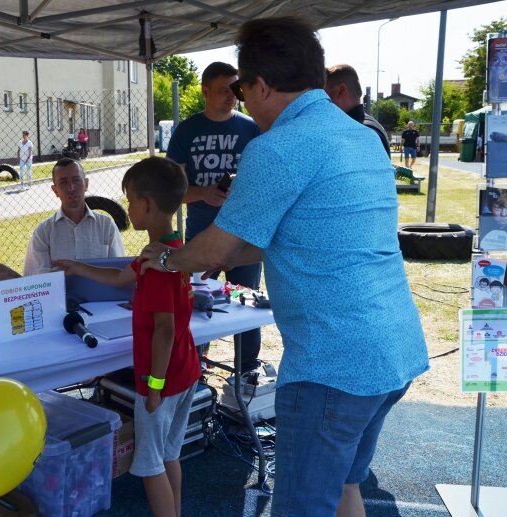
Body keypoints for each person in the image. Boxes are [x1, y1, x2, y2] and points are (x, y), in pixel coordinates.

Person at [139, 17, 429, 516]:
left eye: (242, 89)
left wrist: (166, 259)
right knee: (344, 488)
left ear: (264, 85)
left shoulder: (277, 149)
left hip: (333, 366)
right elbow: (285, 239)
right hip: (393, 349)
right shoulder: (359, 136)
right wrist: (203, 257)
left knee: (300, 506)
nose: (243, 102)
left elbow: (216, 251)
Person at [54, 157, 199, 517]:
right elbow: (120, 278)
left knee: (150, 467)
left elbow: (164, 330)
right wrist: (77, 267)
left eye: (130, 200)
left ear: (146, 206)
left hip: (162, 382)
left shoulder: (157, 268)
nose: (128, 207)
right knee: (169, 455)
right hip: (186, 373)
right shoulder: (166, 252)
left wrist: (153, 387)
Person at [166, 61, 263, 372]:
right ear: (205, 90)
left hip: (244, 240)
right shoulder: (187, 131)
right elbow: (173, 192)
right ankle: (196, 372)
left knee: (247, 308)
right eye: (223, 90)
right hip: (201, 237)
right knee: (195, 308)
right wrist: (204, 193)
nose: (232, 96)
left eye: (236, 90)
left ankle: (245, 375)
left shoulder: (251, 128)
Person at [24, 158, 125, 275]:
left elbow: (119, 274)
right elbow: (37, 282)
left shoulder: (106, 226)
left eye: (76, 180)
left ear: (86, 184)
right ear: (55, 190)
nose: (71, 188)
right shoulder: (43, 233)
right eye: (63, 182)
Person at [324, 64, 390, 157]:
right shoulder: (371, 127)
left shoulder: (358, 133)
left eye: (325, 94)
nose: (322, 101)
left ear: (340, 91)